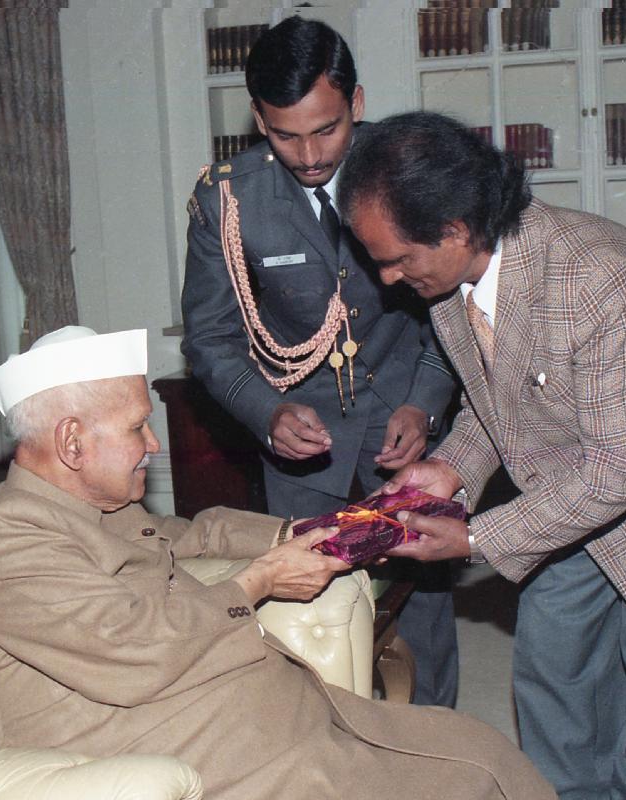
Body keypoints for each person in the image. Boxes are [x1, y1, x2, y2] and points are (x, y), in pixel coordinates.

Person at [337, 112, 626, 800]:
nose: (387, 278)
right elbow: (501, 400)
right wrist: (451, 468)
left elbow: (619, 472)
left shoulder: (596, 276)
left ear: (455, 229)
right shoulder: (451, 285)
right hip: (570, 492)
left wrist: (476, 538)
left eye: (396, 259)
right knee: (554, 681)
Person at [0, 325, 557, 800]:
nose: (153, 445)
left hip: (234, 728)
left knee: (475, 750)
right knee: (465, 786)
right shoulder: (9, 535)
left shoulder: (83, 505)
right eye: (137, 428)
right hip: (164, 763)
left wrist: (303, 531)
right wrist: (258, 580)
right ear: (72, 442)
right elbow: (132, 649)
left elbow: (189, 535)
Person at [180, 17, 460, 707]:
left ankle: (432, 738)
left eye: (326, 129)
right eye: (285, 135)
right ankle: (335, 742)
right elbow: (209, 338)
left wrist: (424, 402)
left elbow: (454, 306)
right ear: (258, 119)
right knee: (312, 610)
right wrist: (266, 412)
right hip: (304, 434)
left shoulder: (409, 174)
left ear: (356, 104)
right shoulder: (229, 200)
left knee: (422, 600)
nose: (308, 155)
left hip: (403, 414)